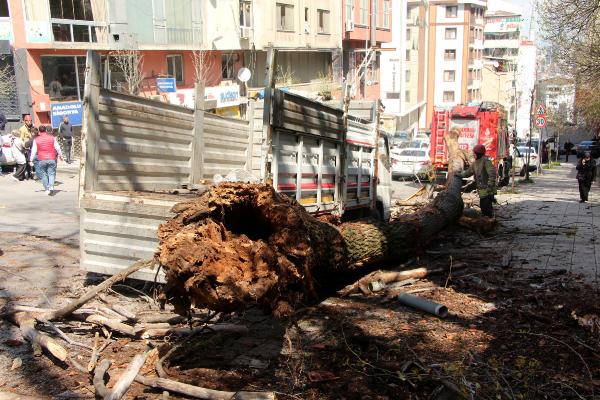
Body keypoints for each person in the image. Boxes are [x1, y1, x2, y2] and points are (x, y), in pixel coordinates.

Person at [459, 144, 497, 218]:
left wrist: (490, 186)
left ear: (479, 153)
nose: (474, 154)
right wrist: (458, 174)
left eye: (475, 153)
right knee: (483, 207)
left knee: (486, 208)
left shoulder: (486, 162)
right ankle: (487, 220)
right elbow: (467, 173)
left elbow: (492, 174)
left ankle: (488, 222)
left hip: (488, 190)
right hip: (482, 191)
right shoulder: (475, 164)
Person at [30, 125, 63, 195]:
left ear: (39, 131)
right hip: (51, 158)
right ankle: (51, 187)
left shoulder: (36, 139)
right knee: (51, 173)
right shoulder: (52, 138)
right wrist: (60, 155)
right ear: (46, 130)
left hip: (42, 159)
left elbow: (33, 150)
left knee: (44, 174)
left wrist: (30, 159)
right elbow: (57, 147)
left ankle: (47, 189)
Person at [19, 114, 34, 179]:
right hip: (26, 147)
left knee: (32, 160)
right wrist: (24, 147)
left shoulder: (32, 127)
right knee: (27, 161)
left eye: (30, 121)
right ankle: (27, 174)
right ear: (25, 121)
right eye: (28, 121)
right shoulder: (22, 129)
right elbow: (21, 139)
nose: (29, 122)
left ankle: (32, 172)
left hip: (32, 146)